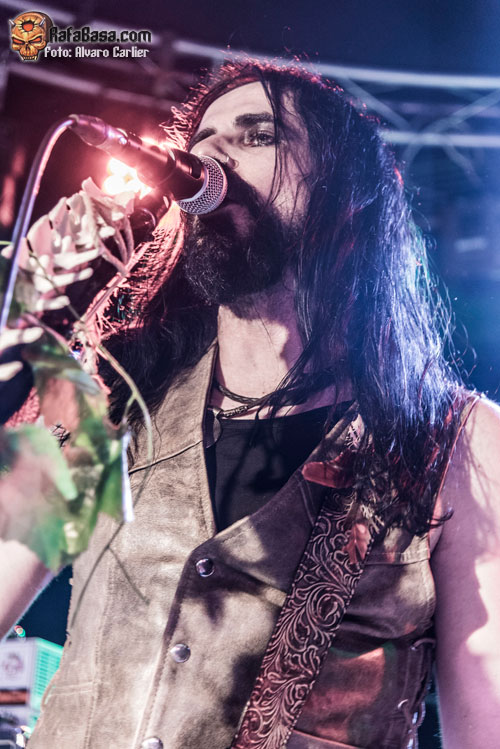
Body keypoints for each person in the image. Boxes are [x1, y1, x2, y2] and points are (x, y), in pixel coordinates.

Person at [0, 59, 499, 749]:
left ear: (347, 195)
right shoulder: (108, 395)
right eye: (202, 139)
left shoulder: (460, 442)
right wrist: (28, 323)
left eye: (258, 134)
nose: (210, 157)